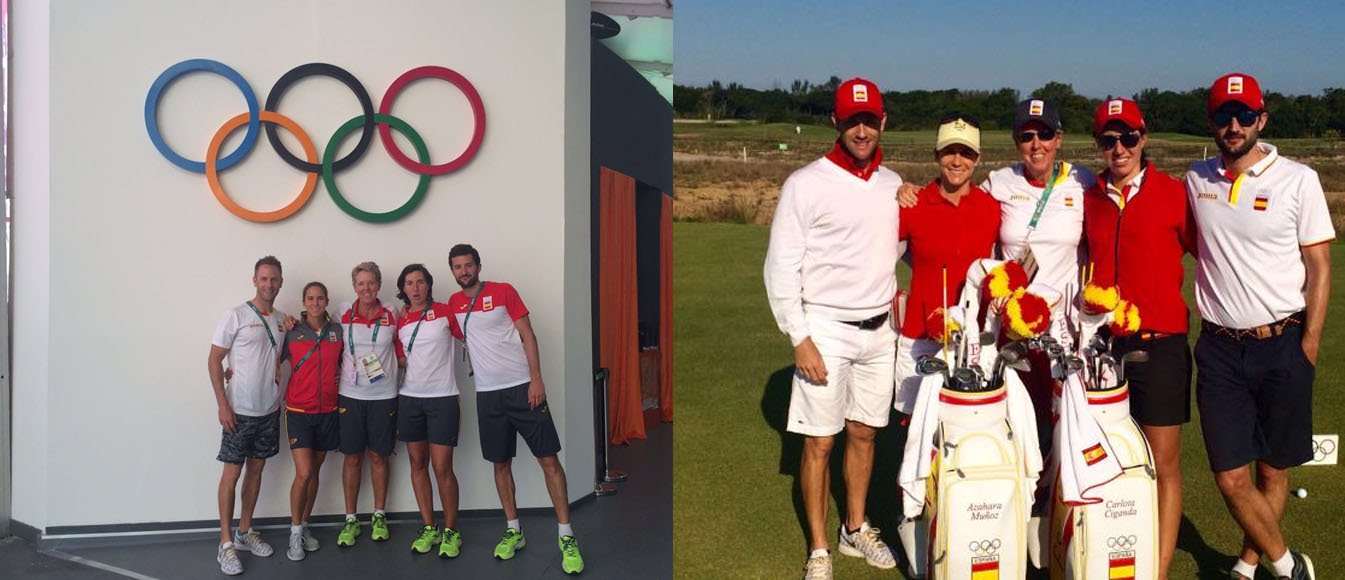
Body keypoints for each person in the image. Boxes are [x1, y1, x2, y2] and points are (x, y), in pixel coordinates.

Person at [1186, 72, 1331, 580]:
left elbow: (1319, 266)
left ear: (1261, 119)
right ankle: (1290, 566)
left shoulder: (1298, 179)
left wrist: (1308, 344)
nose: (1234, 124)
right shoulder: (1195, 179)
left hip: (1282, 344)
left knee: (1273, 469)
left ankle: (1247, 565)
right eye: (1224, 115)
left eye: (1244, 114)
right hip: (1220, 348)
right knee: (1230, 477)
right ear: (1212, 122)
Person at [763, 77, 902, 580]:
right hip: (825, 329)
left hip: (879, 330)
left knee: (864, 434)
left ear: (882, 121)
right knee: (820, 441)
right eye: (852, 121)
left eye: (869, 120)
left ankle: (855, 528)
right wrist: (798, 337)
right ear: (836, 123)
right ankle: (820, 548)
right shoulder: (805, 182)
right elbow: (780, 267)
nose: (861, 129)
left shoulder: (892, 184)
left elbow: (896, 253)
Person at [1082, 98, 1195, 580]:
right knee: (1109, 462)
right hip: (1105, 350)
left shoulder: (1175, 193)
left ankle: (1159, 569)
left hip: (1163, 343)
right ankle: (1111, 556)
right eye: (1109, 140)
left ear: (1143, 139)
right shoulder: (1089, 196)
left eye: (1128, 138)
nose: (1119, 148)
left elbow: (1214, 253)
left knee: (1161, 464)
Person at [446, 244, 585, 575]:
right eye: (457, 267)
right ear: (452, 271)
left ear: (479, 266)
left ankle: (566, 536)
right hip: (488, 395)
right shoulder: (453, 304)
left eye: (468, 265)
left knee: (548, 460)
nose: (463, 271)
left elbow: (527, 334)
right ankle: (514, 531)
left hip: (523, 388)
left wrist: (536, 379)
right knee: (500, 464)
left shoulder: (504, 291)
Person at [893, 114, 1000, 415]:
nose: (957, 160)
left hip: (972, 340)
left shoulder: (990, 208)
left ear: (977, 159)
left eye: (966, 153)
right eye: (949, 151)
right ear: (937, 155)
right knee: (916, 431)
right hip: (921, 338)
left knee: (966, 429)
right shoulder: (912, 205)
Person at [208, 256, 288, 575]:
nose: (269, 284)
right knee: (232, 473)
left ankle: (245, 531)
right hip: (238, 411)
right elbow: (214, 361)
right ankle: (225, 544)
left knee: (256, 471)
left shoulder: (282, 320)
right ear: (254, 280)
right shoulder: (235, 315)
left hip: (268, 410)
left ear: (281, 283)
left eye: (274, 279)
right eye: (264, 278)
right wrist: (222, 404)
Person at [394, 263, 465, 558]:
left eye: (420, 282)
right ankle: (428, 526)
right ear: (404, 288)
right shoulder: (400, 320)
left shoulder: (446, 311)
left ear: (429, 285)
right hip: (409, 398)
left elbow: (470, 336)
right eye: (409, 283)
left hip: (443, 399)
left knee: (441, 467)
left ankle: (451, 531)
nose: (415, 287)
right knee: (417, 463)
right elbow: (399, 357)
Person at [335, 262, 401, 547]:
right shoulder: (342, 313)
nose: (366, 288)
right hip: (350, 395)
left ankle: (378, 514)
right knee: (352, 457)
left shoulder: (392, 313)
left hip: (384, 395)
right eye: (360, 283)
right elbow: (313, 319)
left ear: (379, 285)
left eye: (371, 283)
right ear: (354, 287)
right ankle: (350, 519)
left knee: (378, 457)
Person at [277, 281, 343, 561]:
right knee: (303, 473)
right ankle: (293, 533)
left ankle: (304, 525)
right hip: (299, 412)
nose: (315, 303)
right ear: (304, 302)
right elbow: (269, 356)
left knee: (314, 472)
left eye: (320, 298)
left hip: (328, 411)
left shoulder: (337, 331)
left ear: (326, 301)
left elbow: (346, 362)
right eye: (310, 298)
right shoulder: (292, 331)